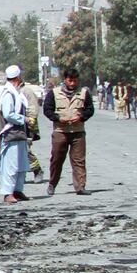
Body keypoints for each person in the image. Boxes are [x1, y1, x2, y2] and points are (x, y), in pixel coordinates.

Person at [43, 66, 94, 195]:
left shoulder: (83, 92)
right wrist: (58, 118)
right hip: (60, 131)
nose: (72, 83)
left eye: (75, 80)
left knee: (79, 160)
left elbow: (90, 109)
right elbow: (47, 110)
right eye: (70, 80)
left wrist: (81, 117)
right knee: (57, 159)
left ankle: (80, 187)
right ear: (65, 80)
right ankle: (52, 184)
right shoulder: (54, 93)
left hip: (78, 132)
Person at [0, 64, 33, 203]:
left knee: (22, 164)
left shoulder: (17, 93)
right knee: (10, 166)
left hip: (20, 133)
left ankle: (18, 190)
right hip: (10, 133)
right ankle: (7, 193)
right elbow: (8, 114)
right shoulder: (8, 94)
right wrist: (24, 119)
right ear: (18, 76)